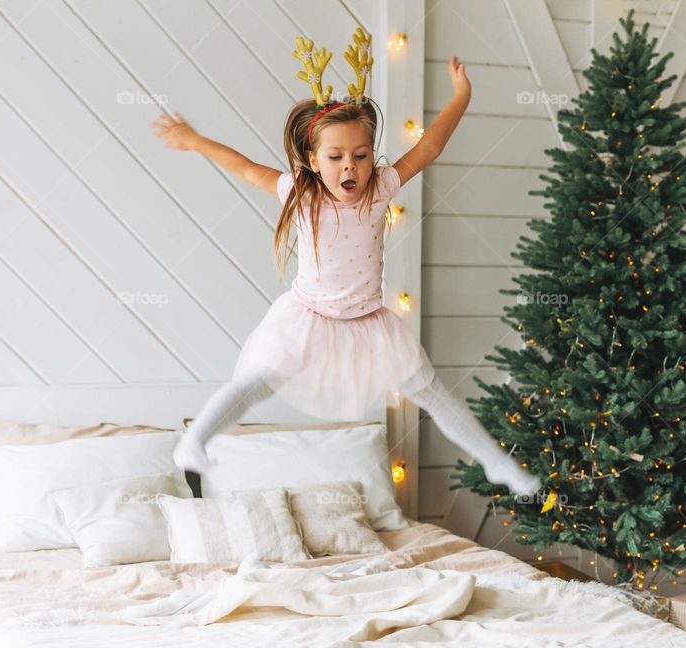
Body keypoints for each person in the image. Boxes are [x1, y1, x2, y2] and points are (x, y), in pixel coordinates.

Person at [151, 30, 540, 496]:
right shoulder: (302, 194)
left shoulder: (381, 188)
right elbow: (247, 168)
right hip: (309, 318)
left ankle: (498, 464)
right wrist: (194, 140)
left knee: (431, 391)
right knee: (256, 380)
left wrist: (462, 95)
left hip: (368, 322)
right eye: (336, 158)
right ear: (313, 161)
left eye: (360, 156)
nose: (350, 168)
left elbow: (430, 147)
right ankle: (193, 442)